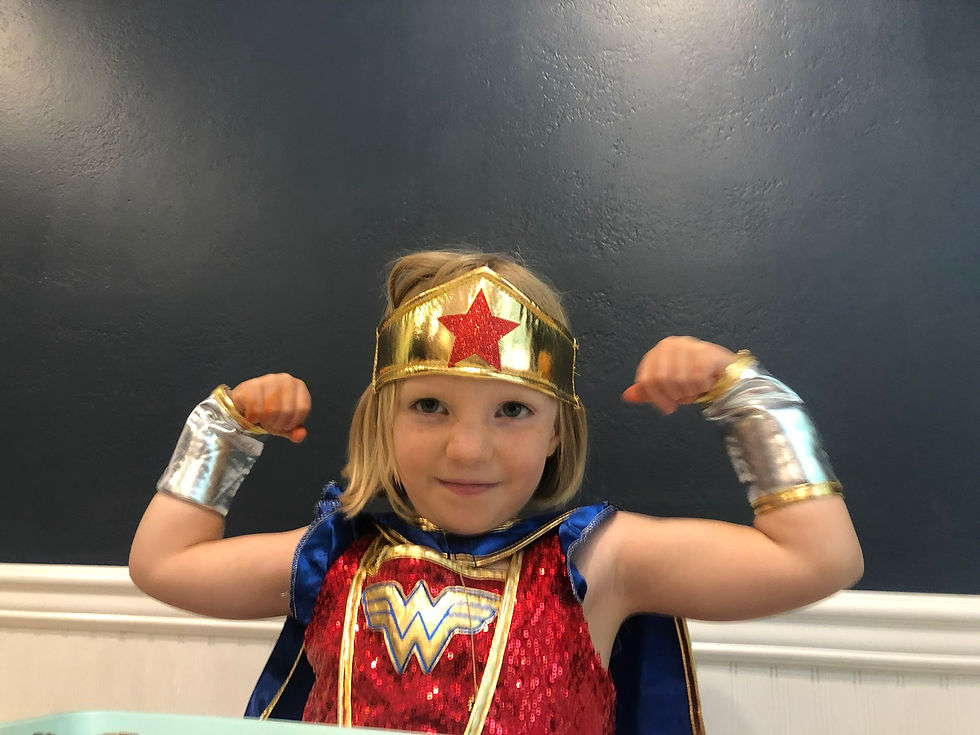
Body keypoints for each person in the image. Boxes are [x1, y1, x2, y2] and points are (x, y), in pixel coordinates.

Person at [129, 249, 863, 735]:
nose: (467, 448)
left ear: (556, 431)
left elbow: (820, 559)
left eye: (512, 410)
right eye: (429, 406)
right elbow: (163, 564)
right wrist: (222, 431)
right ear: (384, 419)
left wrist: (747, 397)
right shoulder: (336, 561)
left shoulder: (599, 563)